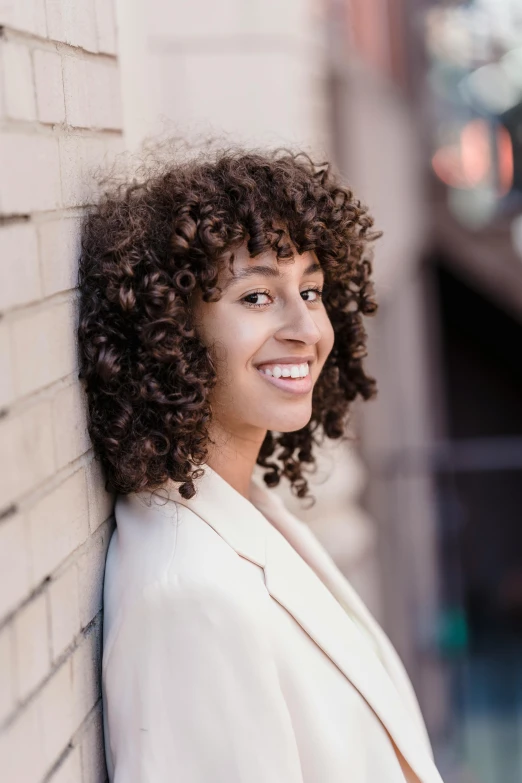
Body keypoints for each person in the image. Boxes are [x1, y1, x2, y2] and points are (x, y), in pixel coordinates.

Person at [77, 144, 445, 783]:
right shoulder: (188, 593)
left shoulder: (250, 512)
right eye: (256, 297)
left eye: (310, 289)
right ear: (171, 328)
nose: (306, 326)